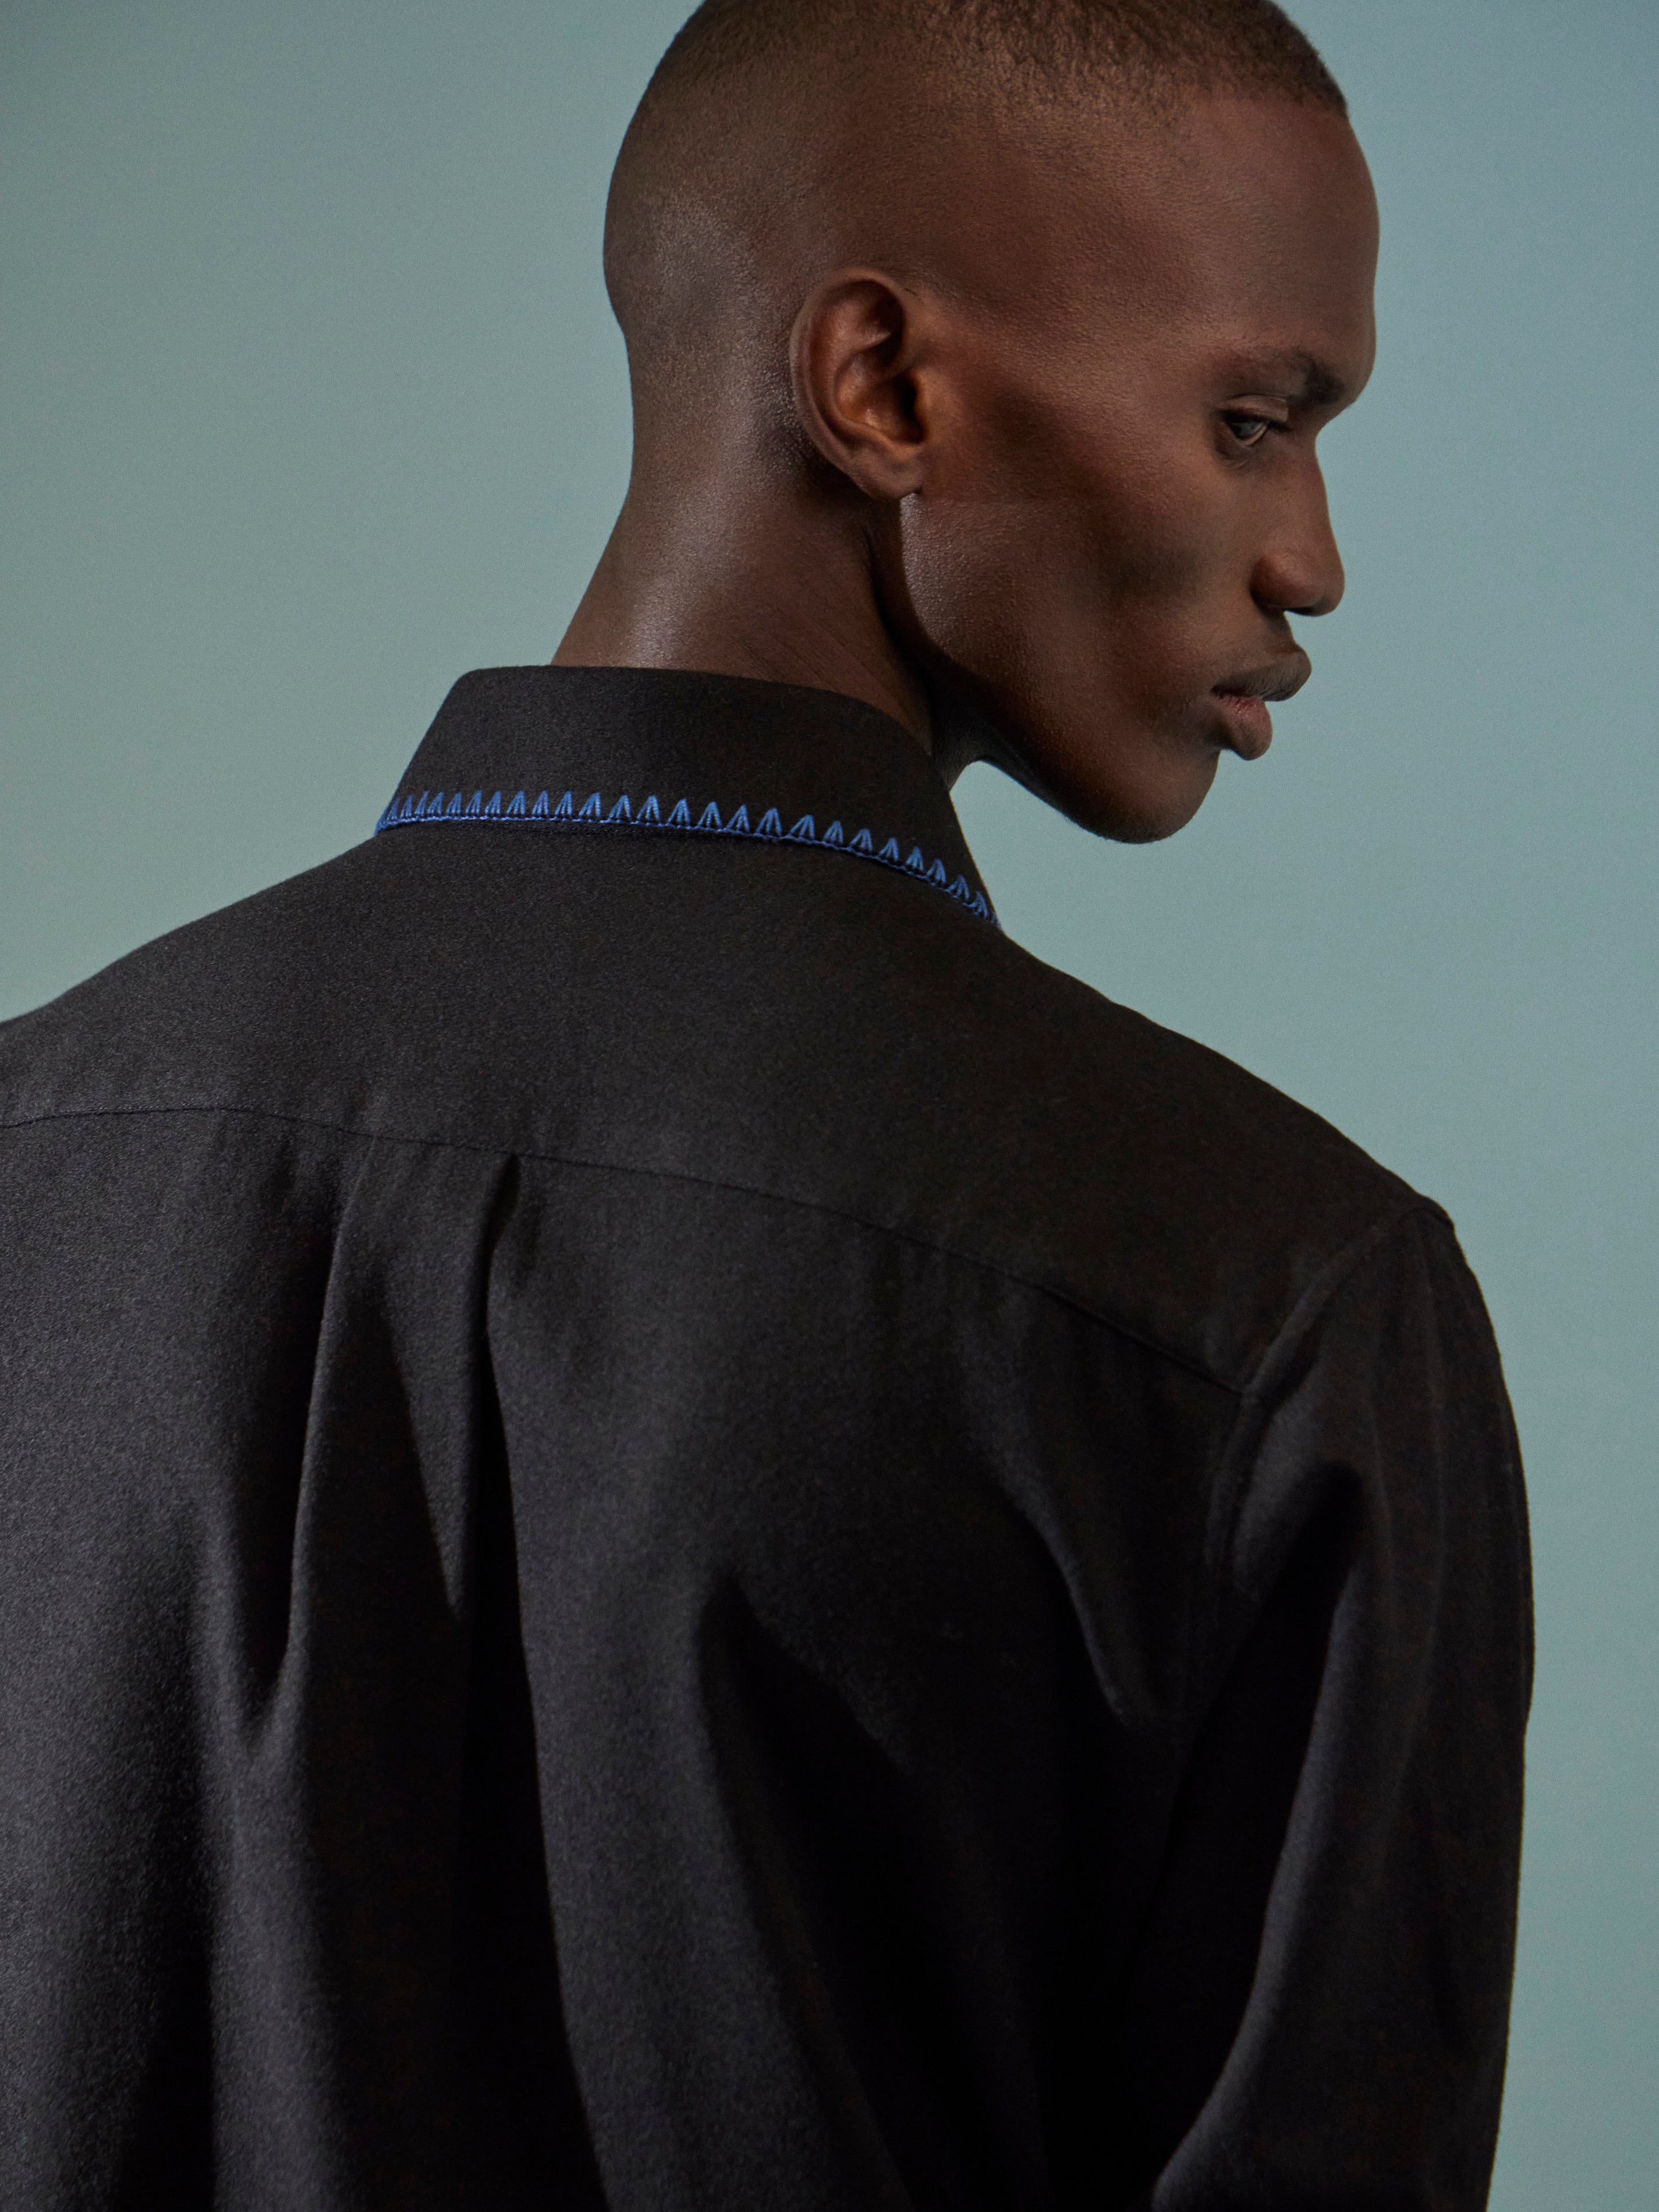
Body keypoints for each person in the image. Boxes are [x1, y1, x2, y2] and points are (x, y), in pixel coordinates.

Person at [0, 0, 1531, 2206]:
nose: (1308, 558)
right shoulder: (1269, 1303)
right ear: (882, 387)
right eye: (1250, 420)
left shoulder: (39, 1136)